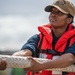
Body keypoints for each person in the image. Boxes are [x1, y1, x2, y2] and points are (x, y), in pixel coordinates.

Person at [10, 0, 75, 75]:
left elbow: (70, 58)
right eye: (52, 12)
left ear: (69, 20)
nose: (53, 15)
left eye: (59, 12)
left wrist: (41, 66)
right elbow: (25, 52)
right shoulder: (38, 38)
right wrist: (8, 60)